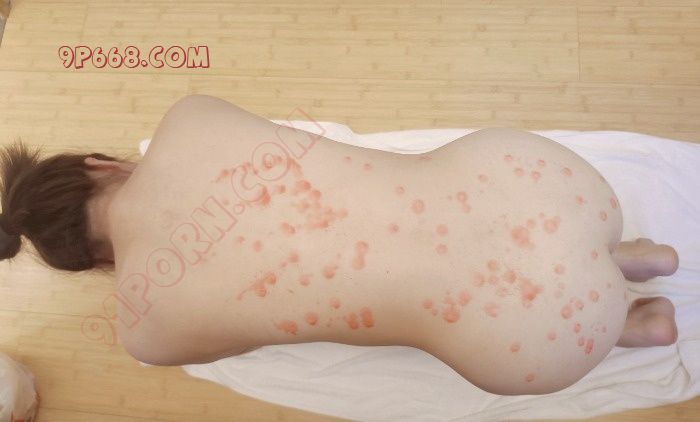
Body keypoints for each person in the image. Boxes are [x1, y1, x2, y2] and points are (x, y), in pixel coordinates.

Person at [0, 95, 679, 395]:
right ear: (98, 164)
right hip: (543, 181)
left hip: (534, 341)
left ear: (94, 261)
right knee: (505, 222)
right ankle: (631, 255)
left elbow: (245, 336)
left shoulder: (147, 332)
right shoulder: (188, 118)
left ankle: (633, 326)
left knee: (516, 301)